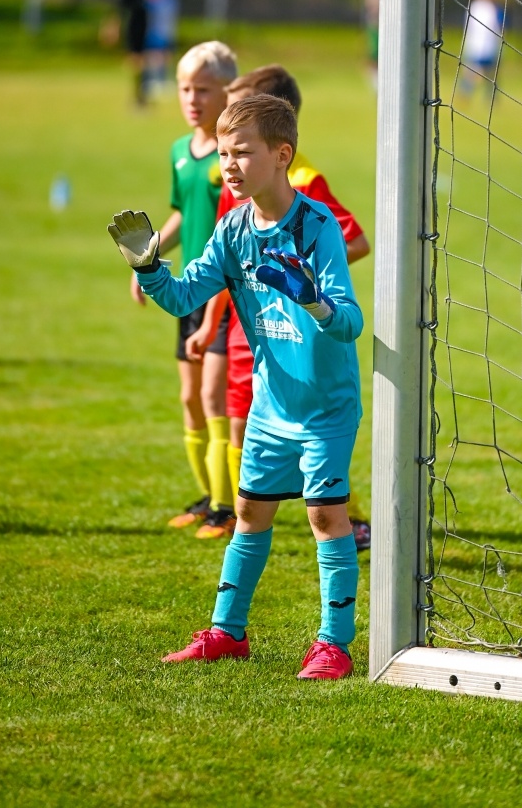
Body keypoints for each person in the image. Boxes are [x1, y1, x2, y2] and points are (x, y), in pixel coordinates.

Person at [108, 93, 363, 679]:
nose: (229, 164)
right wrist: (148, 266)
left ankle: (334, 645)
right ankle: (227, 633)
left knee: (326, 518)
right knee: (249, 512)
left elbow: (350, 323)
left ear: (282, 155)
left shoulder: (317, 228)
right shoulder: (233, 228)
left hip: (325, 408)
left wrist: (316, 302)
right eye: (223, 153)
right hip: (272, 408)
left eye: (242, 152)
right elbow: (181, 297)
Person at [184, 64, 373, 551]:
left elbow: (354, 240)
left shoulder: (304, 182)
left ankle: (348, 519)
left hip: (301, 337)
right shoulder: (234, 182)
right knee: (233, 413)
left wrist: (301, 285)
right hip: (246, 322)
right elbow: (232, 261)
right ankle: (228, 509)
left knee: (310, 448)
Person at [131, 40, 238, 536]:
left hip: (222, 293)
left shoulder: (233, 153)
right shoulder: (181, 150)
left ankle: (228, 505)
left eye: (203, 89)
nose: (192, 98)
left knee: (216, 397)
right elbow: (180, 213)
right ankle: (207, 497)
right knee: (190, 397)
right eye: (184, 88)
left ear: (227, 92)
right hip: (185, 290)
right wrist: (146, 260)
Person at [111, 0, 163, 107]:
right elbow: (119, 4)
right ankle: (140, 95)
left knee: (142, 59)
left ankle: (142, 95)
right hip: (132, 21)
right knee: (136, 60)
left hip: (144, 20)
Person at [460, 0, 503, 96]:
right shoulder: (489, 8)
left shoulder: (474, 6)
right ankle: (466, 93)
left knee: (484, 72)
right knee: (480, 72)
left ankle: (486, 95)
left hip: (476, 45)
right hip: (484, 46)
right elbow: (497, 26)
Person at [143, 0, 180, 96]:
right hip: (153, 33)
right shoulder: (150, 0)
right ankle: (152, 80)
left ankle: (163, 81)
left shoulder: (170, 0)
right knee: (153, 57)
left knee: (165, 57)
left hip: (166, 32)